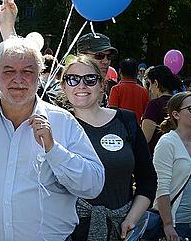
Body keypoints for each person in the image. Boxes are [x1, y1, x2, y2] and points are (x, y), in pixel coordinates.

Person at [0, 36, 104, 240]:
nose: (18, 79)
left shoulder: (62, 122)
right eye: (9, 71)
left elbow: (93, 185)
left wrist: (54, 150)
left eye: (27, 71)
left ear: (39, 76)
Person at [62, 55, 156, 241]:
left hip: (120, 230)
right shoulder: (58, 125)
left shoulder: (126, 121)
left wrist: (131, 219)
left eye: (90, 79)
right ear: (64, 87)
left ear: (102, 85)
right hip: (68, 232)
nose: (81, 86)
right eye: (73, 79)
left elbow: (148, 179)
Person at [144, 92, 191, 241]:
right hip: (174, 221)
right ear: (176, 114)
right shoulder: (167, 143)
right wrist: (168, 224)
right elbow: (161, 186)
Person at [141, 65, 183, 155]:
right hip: (180, 153)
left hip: (159, 155)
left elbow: (145, 138)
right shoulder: (181, 102)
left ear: (155, 83)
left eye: (149, 84)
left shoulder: (154, 105)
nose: (149, 89)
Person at [108, 58, 150, 123]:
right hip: (137, 128)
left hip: (120, 128)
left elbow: (112, 112)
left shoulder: (116, 89)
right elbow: (146, 113)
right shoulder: (143, 91)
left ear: (120, 71)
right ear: (136, 72)